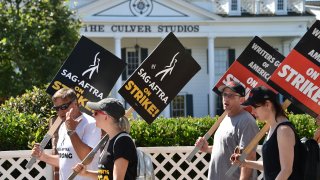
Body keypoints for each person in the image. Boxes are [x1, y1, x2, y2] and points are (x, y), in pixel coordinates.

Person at [230, 86, 304, 180]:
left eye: (254, 107)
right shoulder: (273, 128)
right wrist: (246, 163)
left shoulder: (283, 130)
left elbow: (286, 170)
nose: (252, 111)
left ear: (268, 104)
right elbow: (272, 167)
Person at [31, 88, 101, 180]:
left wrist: (71, 131)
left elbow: (87, 159)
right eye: (57, 108)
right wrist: (43, 156)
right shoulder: (63, 126)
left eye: (64, 107)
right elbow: (65, 158)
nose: (60, 112)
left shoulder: (90, 123)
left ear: (75, 104)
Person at [195, 81, 259, 180]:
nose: (226, 98)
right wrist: (207, 149)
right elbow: (226, 149)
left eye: (231, 96)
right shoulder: (226, 118)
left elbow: (248, 157)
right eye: (224, 95)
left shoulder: (247, 122)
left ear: (242, 100)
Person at [72, 98, 138, 180]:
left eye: (96, 113)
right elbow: (107, 175)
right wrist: (86, 173)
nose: (93, 115)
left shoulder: (123, 141)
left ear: (106, 117)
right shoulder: (110, 140)